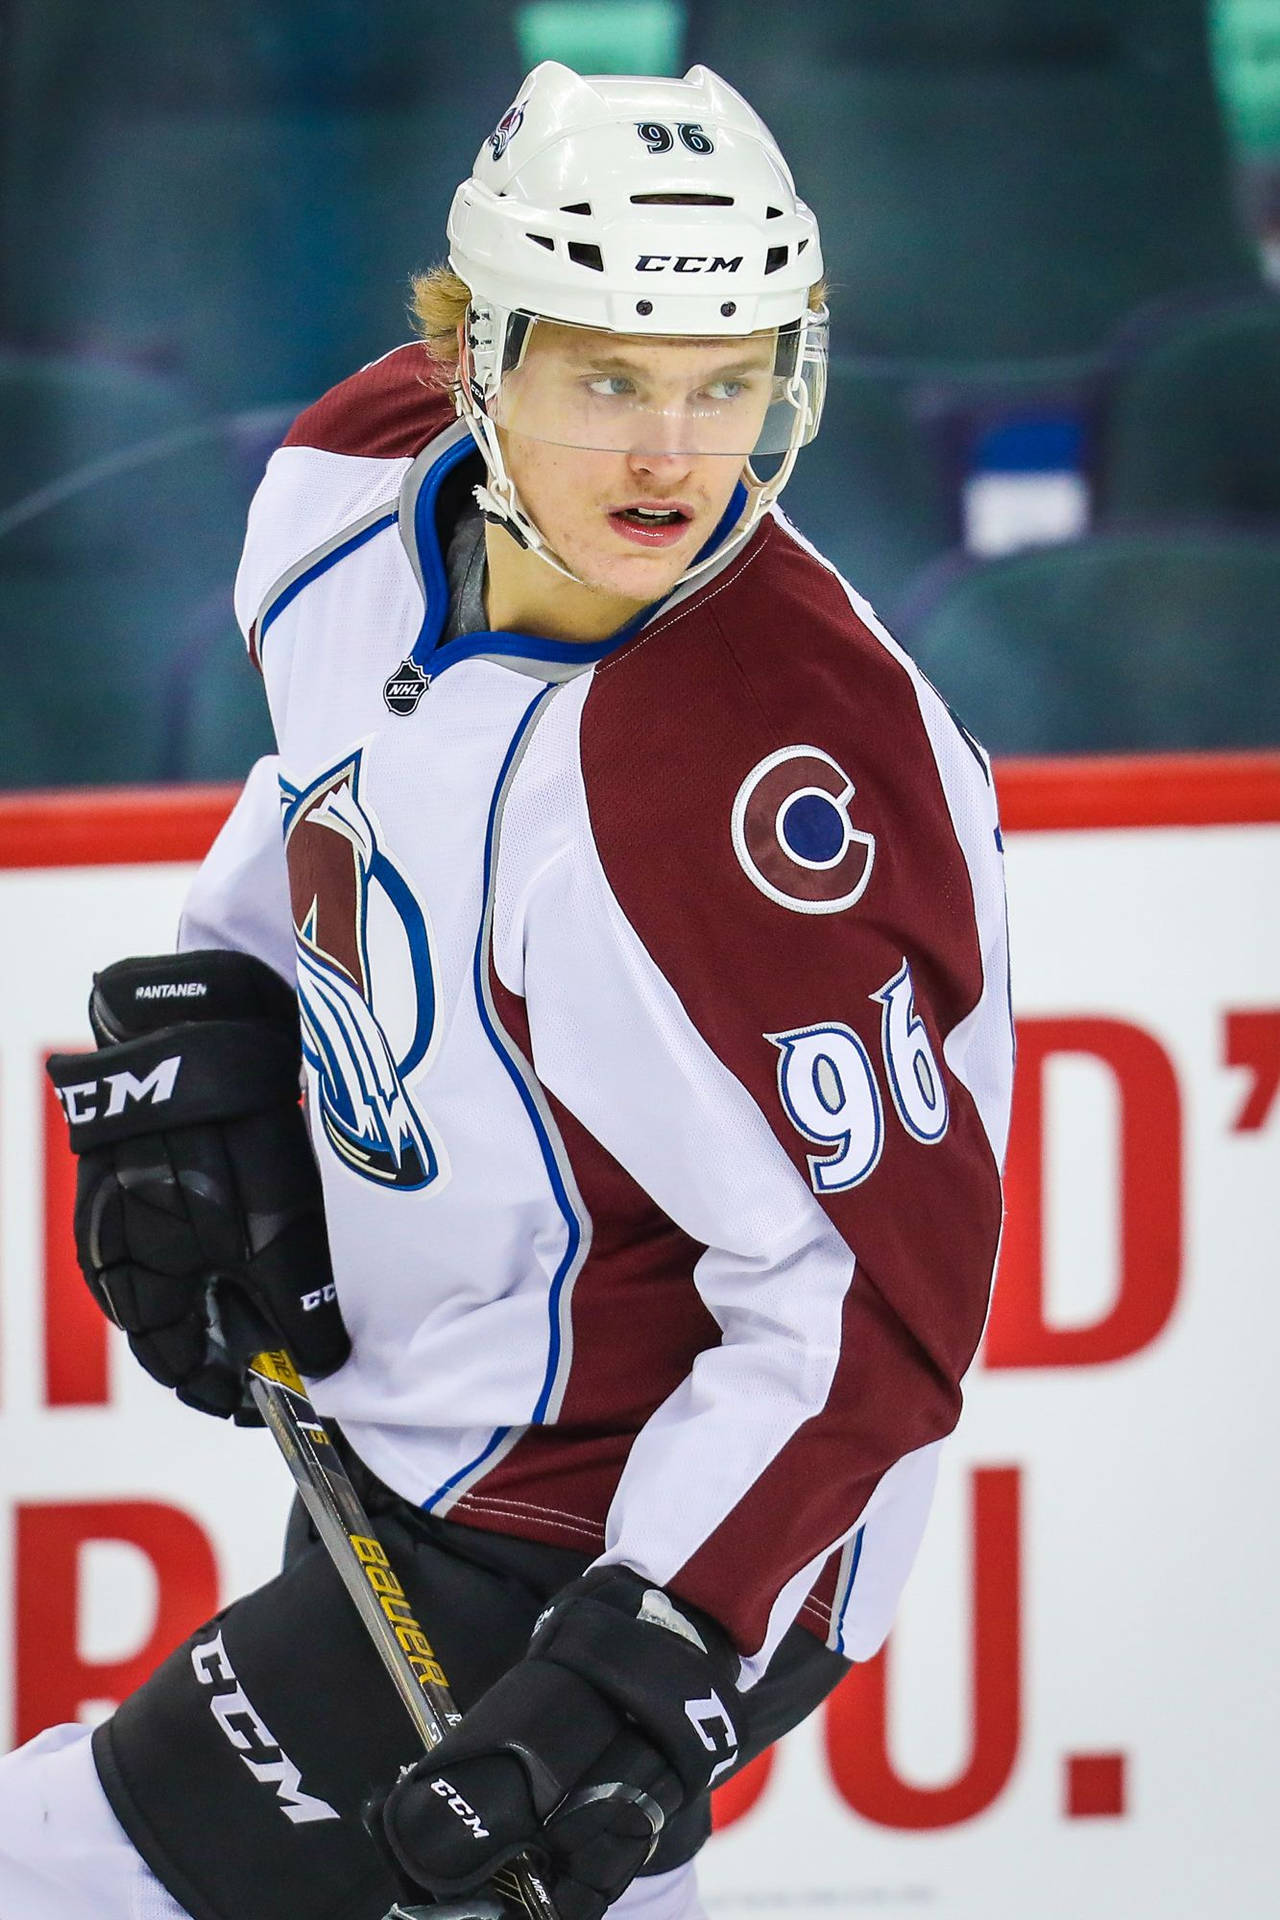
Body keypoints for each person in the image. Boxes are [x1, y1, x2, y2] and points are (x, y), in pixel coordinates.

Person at [5, 58, 1012, 1920]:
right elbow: (338, 771)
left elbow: (870, 1311)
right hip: (404, 1403)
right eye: (609, 374)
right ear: (473, 352)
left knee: (86, 1865)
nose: (671, 456)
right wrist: (223, 1010)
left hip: (610, 1525)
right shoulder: (343, 486)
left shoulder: (762, 792)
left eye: (729, 383)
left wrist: (657, 1646)